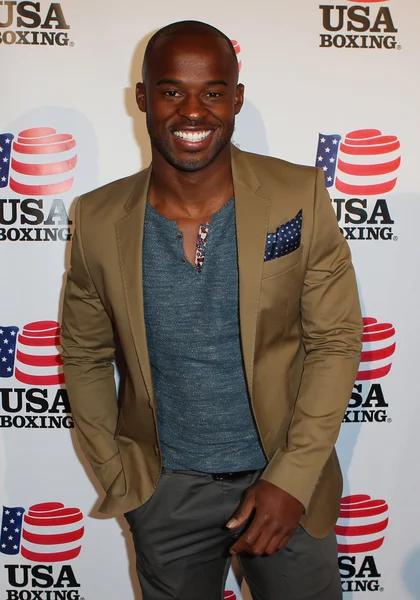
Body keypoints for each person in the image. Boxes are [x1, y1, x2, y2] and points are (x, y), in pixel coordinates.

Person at [61, 19, 363, 600]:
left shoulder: (297, 195)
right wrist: (124, 481)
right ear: (143, 99)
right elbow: (84, 352)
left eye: (213, 93)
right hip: (167, 494)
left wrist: (293, 480)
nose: (192, 112)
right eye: (172, 91)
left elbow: (335, 341)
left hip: (287, 484)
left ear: (237, 99)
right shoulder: (97, 218)